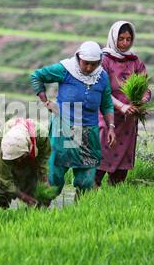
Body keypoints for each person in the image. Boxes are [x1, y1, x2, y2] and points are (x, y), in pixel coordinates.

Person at [30, 41, 115, 199]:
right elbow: (37, 76)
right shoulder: (65, 70)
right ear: (78, 58)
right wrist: (45, 101)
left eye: (93, 64)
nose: (89, 68)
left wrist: (111, 127)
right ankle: (40, 209)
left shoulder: (102, 77)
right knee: (54, 175)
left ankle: (79, 210)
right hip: (63, 130)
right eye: (86, 63)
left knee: (87, 179)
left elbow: (107, 104)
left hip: (89, 133)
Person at [95, 21, 151, 186]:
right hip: (106, 119)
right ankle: (86, 198)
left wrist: (141, 103)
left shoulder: (135, 62)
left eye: (128, 39)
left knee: (120, 173)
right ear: (113, 38)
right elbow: (102, 91)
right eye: (121, 39)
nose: (125, 43)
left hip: (128, 122)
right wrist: (121, 106)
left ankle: (114, 200)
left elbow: (146, 89)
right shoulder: (103, 61)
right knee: (99, 161)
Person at [0, 117, 51, 210]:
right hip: (6, 152)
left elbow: (44, 159)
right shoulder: (3, 148)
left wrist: (44, 179)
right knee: (1, 191)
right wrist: (24, 197)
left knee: (40, 190)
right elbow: (4, 180)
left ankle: (35, 216)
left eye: (19, 158)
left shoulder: (41, 136)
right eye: (15, 160)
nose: (18, 162)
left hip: (30, 151)